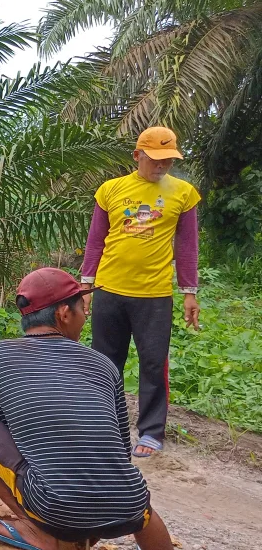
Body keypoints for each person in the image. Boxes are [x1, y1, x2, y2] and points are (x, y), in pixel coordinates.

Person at [0, 267, 183, 550]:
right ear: (63, 313)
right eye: (83, 309)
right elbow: (119, 442)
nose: (85, 318)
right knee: (132, 496)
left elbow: (5, 435)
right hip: (128, 505)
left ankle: (34, 530)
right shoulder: (104, 365)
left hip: (54, 508)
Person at [80, 126, 201, 457]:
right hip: (109, 290)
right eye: (155, 160)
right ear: (137, 156)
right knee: (106, 362)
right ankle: (105, 425)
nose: (161, 167)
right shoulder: (110, 190)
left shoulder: (184, 193)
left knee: (152, 363)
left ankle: (150, 431)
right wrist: (86, 285)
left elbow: (187, 246)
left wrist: (190, 292)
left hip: (154, 295)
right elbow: (95, 241)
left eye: (168, 161)